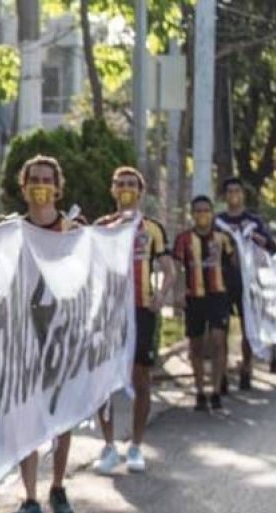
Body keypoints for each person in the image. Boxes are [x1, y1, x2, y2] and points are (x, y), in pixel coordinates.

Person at [7, 155, 80, 513]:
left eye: (46, 179)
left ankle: (58, 485)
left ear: (57, 186)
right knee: (26, 415)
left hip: (61, 332)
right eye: (33, 178)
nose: (40, 185)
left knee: (61, 413)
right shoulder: (11, 232)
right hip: (23, 334)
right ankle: (31, 497)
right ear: (23, 186)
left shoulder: (72, 230)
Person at [94, 167, 176, 474]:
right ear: (113, 190)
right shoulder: (102, 227)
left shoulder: (152, 229)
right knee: (104, 380)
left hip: (142, 310)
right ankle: (108, 445)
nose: (126, 189)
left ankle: (137, 446)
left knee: (142, 377)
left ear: (140, 192)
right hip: (110, 313)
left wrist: (161, 295)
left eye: (132, 184)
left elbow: (169, 270)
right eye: (121, 184)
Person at [216, 177, 276, 388]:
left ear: (243, 194)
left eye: (237, 190)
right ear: (224, 196)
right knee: (220, 329)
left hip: (249, 282)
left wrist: (258, 239)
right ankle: (221, 373)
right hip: (223, 281)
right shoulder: (218, 222)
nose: (234, 195)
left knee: (248, 324)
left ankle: (246, 367)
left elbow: (272, 247)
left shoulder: (254, 222)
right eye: (230, 191)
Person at [175, 196, 236, 412]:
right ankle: (200, 391)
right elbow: (178, 268)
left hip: (218, 296)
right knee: (196, 345)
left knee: (219, 341)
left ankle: (217, 390)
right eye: (198, 211)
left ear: (212, 213)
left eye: (206, 210)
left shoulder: (223, 238)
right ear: (192, 214)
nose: (202, 215)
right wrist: (179, 292)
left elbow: (232, 266)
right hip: (194, 297)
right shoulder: (183, 239)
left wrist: (233, 294)